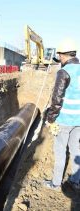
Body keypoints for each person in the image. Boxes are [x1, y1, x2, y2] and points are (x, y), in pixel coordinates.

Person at [45, 38, 80, 191]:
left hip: (64, 120)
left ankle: (56, 183)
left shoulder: (63, 72)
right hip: (79, 120)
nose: (59, 58)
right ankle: (75, 181)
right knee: (76, 150)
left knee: (60, 152)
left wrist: (51, 119)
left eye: (59, 55)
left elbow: (57, 98)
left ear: (64, 55)